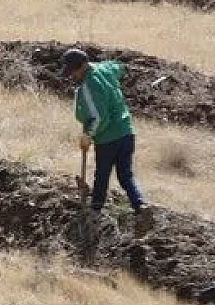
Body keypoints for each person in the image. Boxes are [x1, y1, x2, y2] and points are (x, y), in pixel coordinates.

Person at [61, 48, 151, 227]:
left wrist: (88, 135)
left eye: (74, 71)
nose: (72, 76)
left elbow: (99, 117)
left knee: (101, 176)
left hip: (108, 139)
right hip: (126, 132)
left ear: (84, 66)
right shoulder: (105, 68)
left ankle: (95, 212)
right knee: (125, 175)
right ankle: (141, 205)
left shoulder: (88, 85)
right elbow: (120, 68)